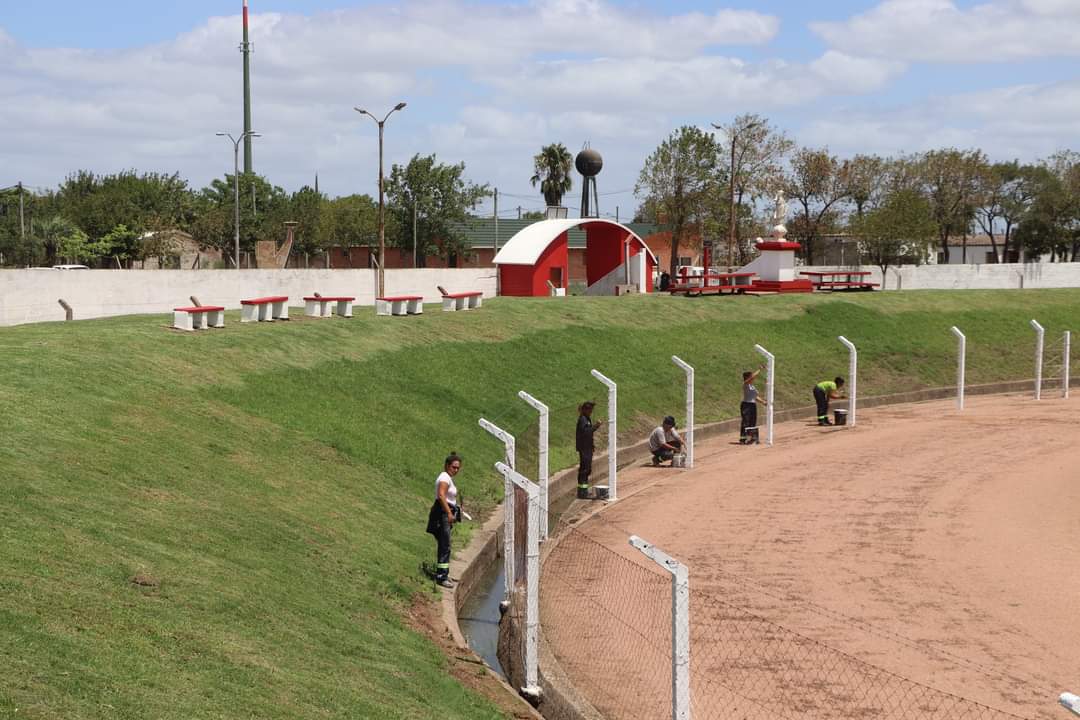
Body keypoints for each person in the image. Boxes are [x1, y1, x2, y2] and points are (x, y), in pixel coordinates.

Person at [426, 452, 463, 588]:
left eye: (458, 468)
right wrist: (448, 513)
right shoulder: (444, 478)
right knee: (445, 545)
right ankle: (441, 576)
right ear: (447, 465)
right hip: (443, 513)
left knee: (445, 544)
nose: (456, 470)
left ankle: (443, 573)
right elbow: (441, 495)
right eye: (454, 467)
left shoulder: (447, 478)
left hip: (445, 512)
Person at [576, 402, 603, 499]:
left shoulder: (587, 419)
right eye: (590, 410)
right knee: (585, 469)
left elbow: (588, 434)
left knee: (587, 469)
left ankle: (584, 491)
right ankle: (582, 493)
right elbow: (586, 432)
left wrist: (592, 445)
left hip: (587, 447)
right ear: (585, 410)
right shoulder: (583, 419)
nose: (591, 412)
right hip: (584, 448)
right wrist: (596, 426)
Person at [741, 365, 768, 444]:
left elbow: (755, 397)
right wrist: (759, 369)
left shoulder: (752, 386)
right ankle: (743, 438)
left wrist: (763, 402)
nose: (753, 378)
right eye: (751, 376)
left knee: (753, 421)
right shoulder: (745, 384)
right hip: (746, 405)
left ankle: (752, 438)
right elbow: (752, 377)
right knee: (746, 421)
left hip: (752, 405)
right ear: (748, 378)